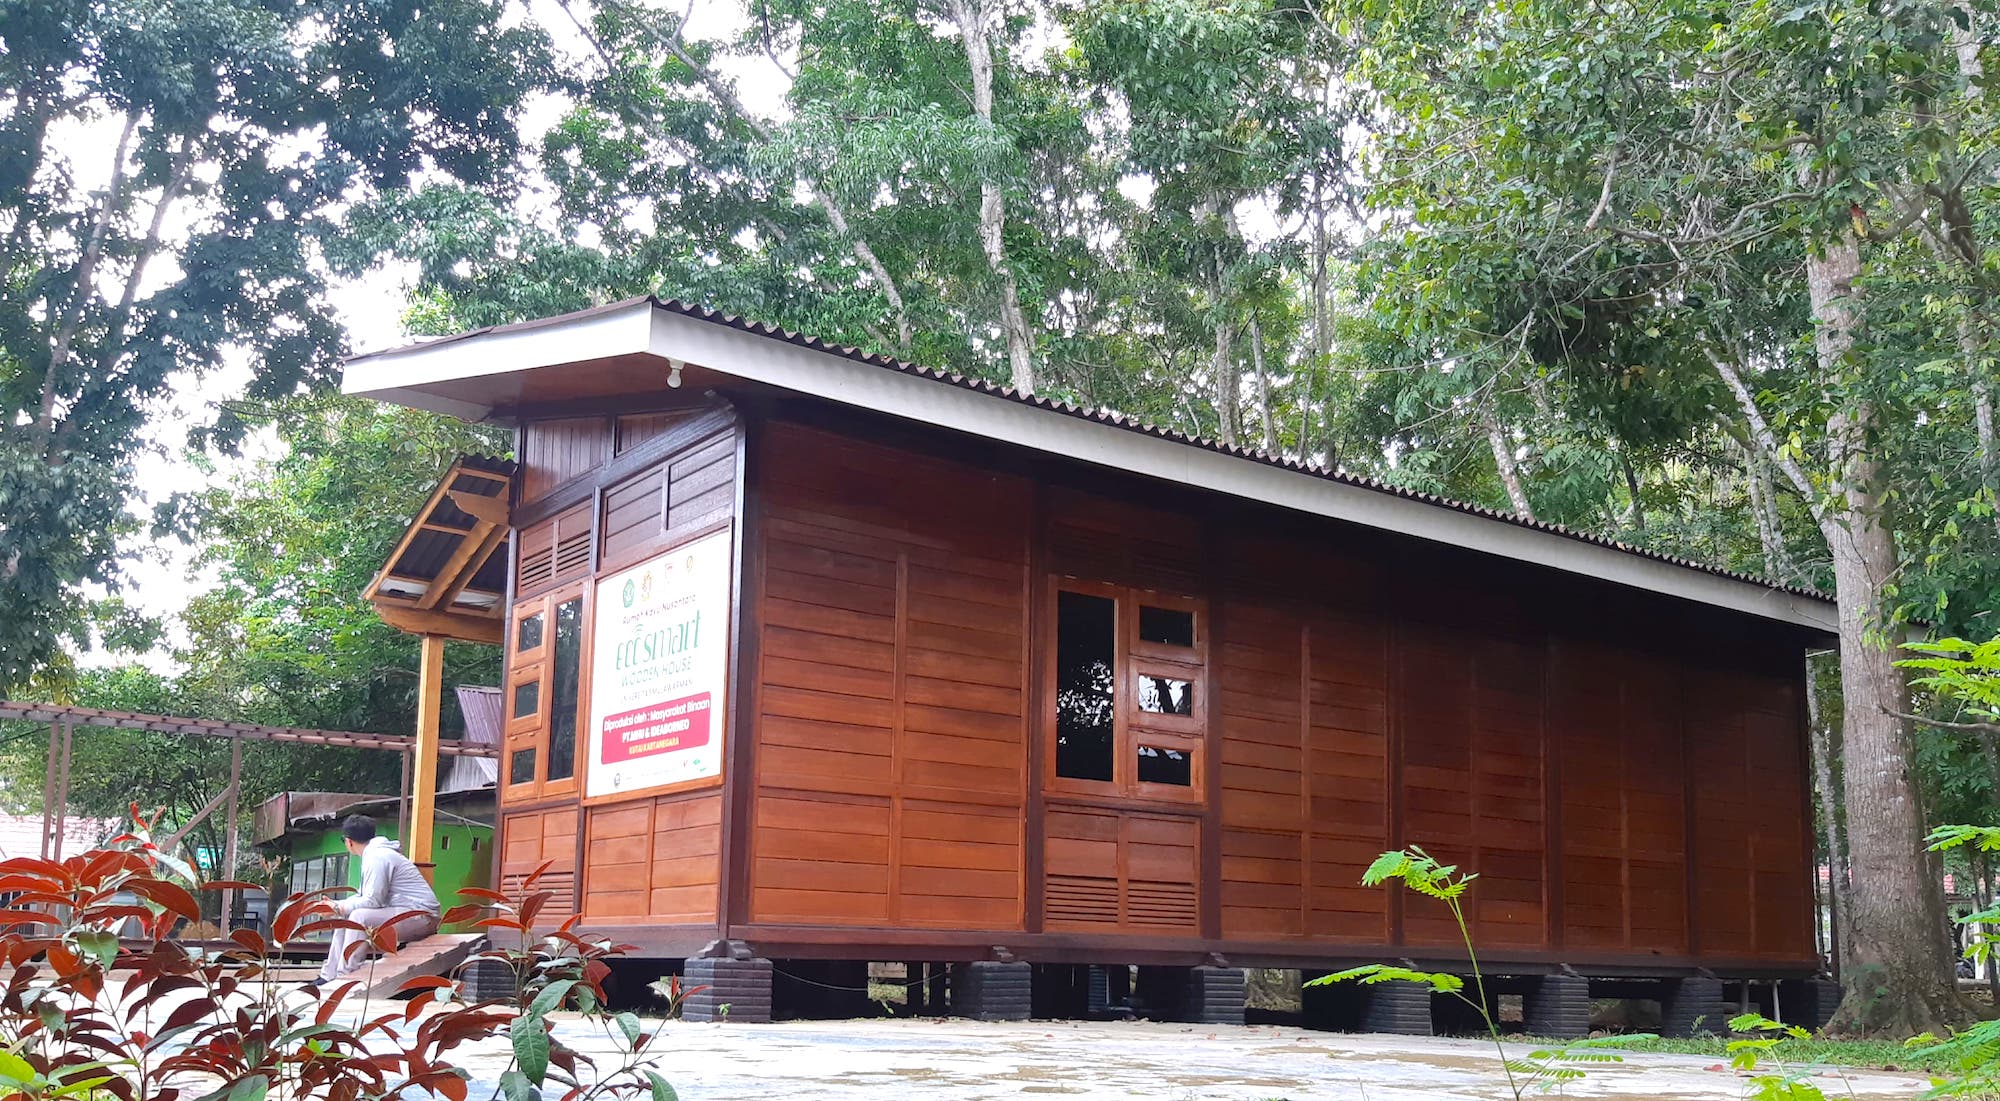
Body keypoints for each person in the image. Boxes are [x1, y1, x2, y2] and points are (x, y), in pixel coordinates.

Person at [315, 814, 441, 986]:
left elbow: (373, 901)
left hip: (422, 917)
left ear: (348, 842)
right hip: (407, 914)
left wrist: (339, 907)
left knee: (358, 916)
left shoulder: (378, 857)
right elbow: (365, 896)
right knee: (346, 917)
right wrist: (337, 907)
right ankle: (328, 976)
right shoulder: (375, 854)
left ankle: (346, 976)